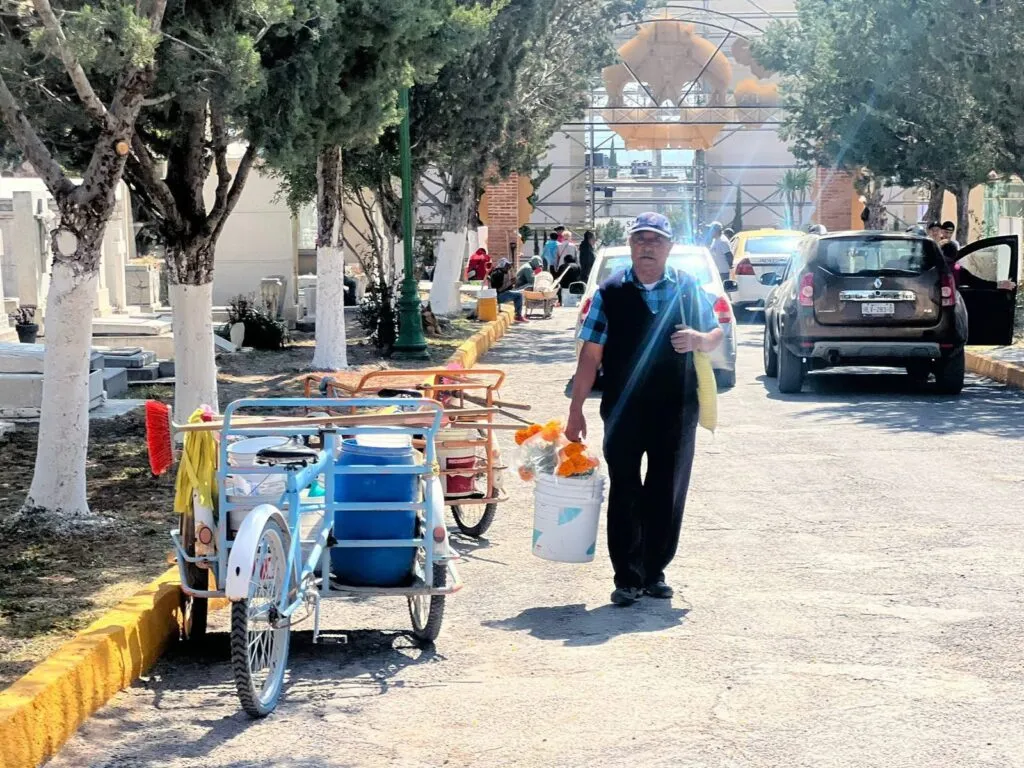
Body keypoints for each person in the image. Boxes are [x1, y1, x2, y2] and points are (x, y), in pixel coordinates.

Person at [566, 212, 724, 607]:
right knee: (625, 488)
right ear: (631, 246)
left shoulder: (688, 289)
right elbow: (590, 355)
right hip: (623, 409)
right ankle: (627, 576)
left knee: (666, 489)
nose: (648, 247)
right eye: (641, 240)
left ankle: (655, 571)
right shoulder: (610, 291)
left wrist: (700, 339)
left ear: (669, 247)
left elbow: (717, 333)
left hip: (676, 408)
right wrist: (576, 410)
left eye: (656, 240)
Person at [489, 258, 528, 323]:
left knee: (518, 293)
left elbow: (506, 288)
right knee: (519, 295)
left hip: (497, 295)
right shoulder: (498, 274)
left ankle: (518, 314)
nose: (508, 268)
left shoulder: (499, 272)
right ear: (502, 265)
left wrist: (512, 283)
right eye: (507, 266)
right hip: (497, 297)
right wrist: (510, 283)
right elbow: (499, 289)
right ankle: (518, 316)